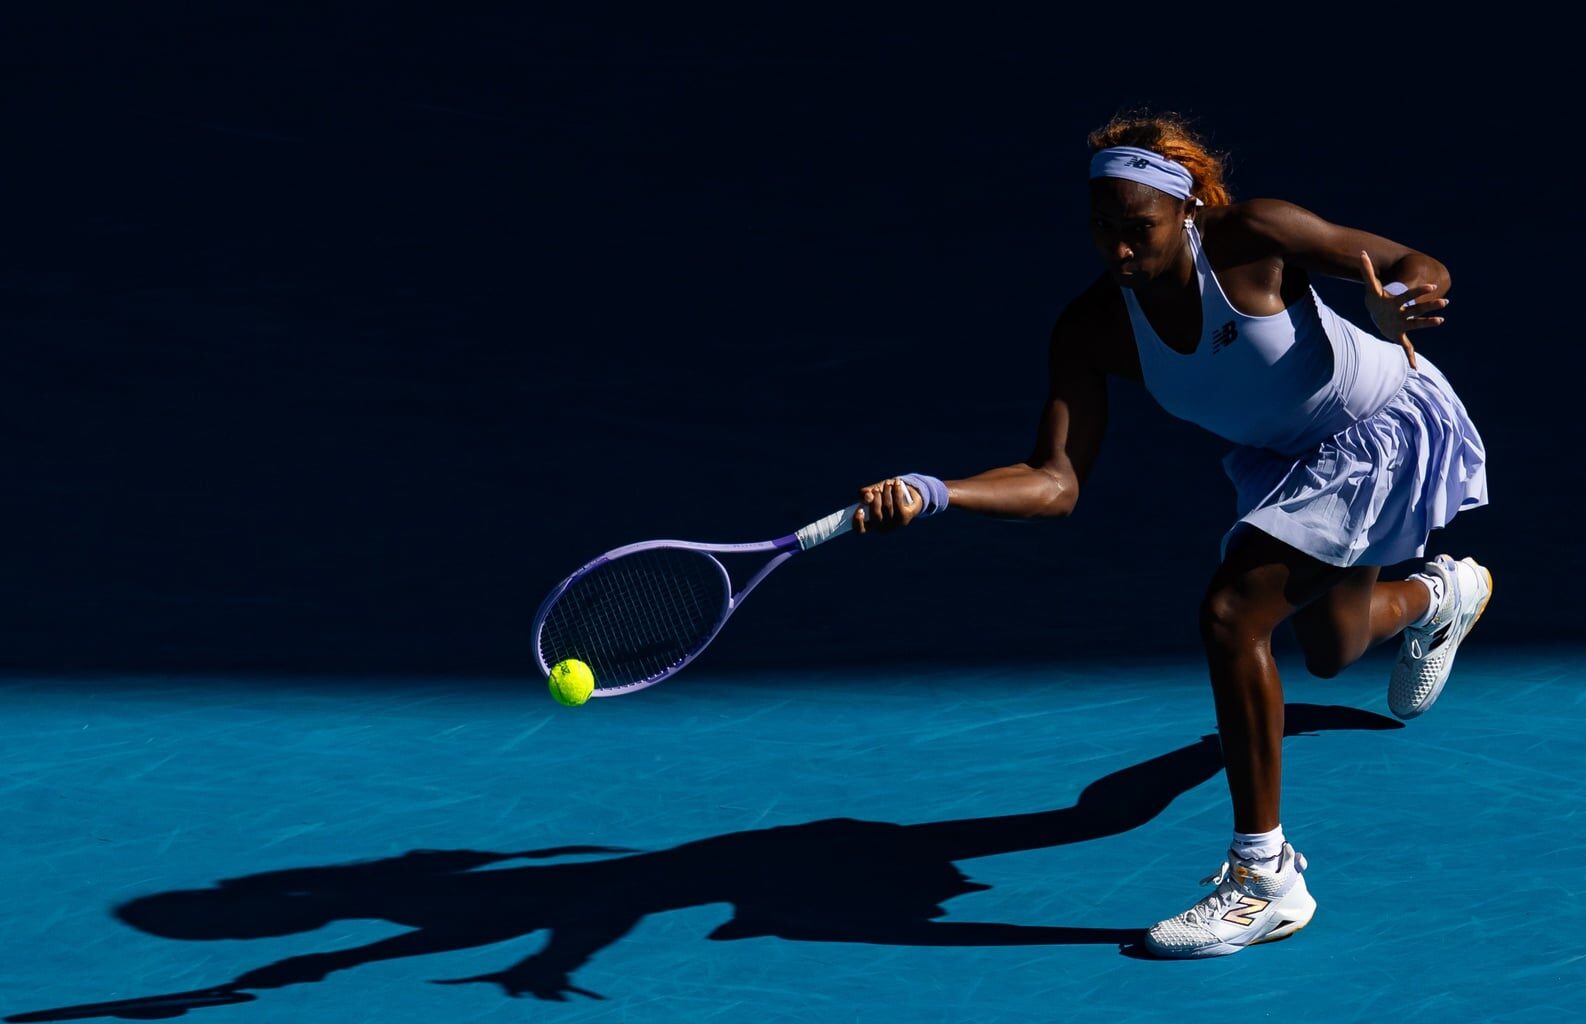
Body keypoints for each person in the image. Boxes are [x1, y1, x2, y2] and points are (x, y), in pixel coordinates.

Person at [852, 111, 1490, 959]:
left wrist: (1401, 299)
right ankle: (1440, 594)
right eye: (1102, 228)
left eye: (1137, 229)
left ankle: (1265, 879)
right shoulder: (1092, 326)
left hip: (1384, 423)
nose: (1117, 250)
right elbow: (1055, 481)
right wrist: (936, 493)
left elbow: (1419, 265)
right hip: (1292, 459)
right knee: (1333, 650)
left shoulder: (1253, 234)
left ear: (1185, 213)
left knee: (1234, 616)